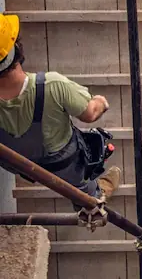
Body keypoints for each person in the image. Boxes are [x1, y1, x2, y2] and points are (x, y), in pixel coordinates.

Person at [0, 14, 120, 205]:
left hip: (20, 165)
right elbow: (89, 114)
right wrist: (101, 102)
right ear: (16, 49)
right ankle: (94, 197)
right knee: (82, 183)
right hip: (62, 166)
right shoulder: (52, 85)